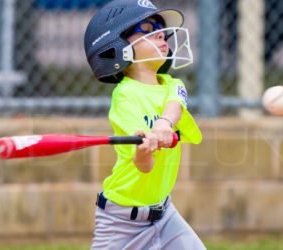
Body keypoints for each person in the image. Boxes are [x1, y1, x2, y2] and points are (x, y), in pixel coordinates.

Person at [84, 0, 205, 249]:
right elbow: (144, 166)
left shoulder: (173, 84)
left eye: (161, 29)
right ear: (117, 47)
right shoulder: (125, 96)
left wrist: (163, 124)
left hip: (165, 213)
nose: (161, 33)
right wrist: (144, 150)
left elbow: (175, 107)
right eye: (148, 27)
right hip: (120, 222)